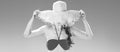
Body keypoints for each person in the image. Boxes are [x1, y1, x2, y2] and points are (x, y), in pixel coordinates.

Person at [24, 1, 93, 52]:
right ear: (52, 19)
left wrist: (84, 20)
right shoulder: (46, 29)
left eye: (62, 18)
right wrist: (32, 18)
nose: (59, 21)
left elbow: (89, 36)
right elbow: (27, 35)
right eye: (57, 18)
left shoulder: (70, 30)